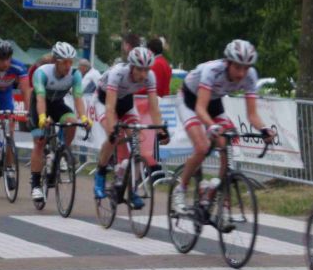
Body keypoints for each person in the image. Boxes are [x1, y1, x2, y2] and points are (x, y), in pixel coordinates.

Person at [170, 39, 275, 213]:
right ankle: (180, 189)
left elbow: (252, 115)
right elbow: (200, 108)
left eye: (246, 68)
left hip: (214, 102)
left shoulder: (250, 76)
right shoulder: (212, 71)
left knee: (226, 146)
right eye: (238, 67)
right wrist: (212, 126)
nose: (241, 73)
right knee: (202, 147)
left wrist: (264, 129)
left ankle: (214, 192)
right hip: (190, 100)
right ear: (227, 63)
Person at [92, 47, 169, 208]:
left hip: (126, 104)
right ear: (131, 67)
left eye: (146, 70)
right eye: (140, 70)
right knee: (113, 137)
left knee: (137, 142)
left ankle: (131, 187)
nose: (143, 74)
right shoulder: (117, 73)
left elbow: (154, 107)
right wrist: (112, 129)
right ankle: (100, 174)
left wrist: (160, 130)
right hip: (104, 101)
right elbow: (110, 106)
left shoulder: (150, 77)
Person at [28, 42, 90, 203]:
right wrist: (42, 117)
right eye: (65, 62)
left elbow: (78, 98)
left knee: (72, 121)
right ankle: (35, 184)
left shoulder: (75, 74)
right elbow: (40, 98)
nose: (69, 66)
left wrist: (84, 117)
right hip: (39, 105)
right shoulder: (42, 73)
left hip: (57, 104)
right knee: (39, 141)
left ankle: (61, 152)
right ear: (56, 61)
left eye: (71, 62)